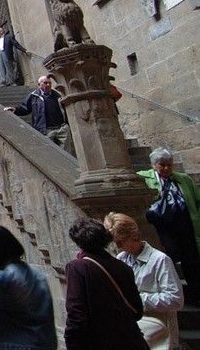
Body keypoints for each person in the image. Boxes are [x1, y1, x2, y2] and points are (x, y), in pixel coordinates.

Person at [64, 217, 148, 349]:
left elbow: (76, 314)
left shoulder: (77, 268)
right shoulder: (123, 267)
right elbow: (137, 311)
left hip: (101, 342)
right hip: (131, 340)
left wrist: (72, 344)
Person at [105, 212, 184, 350]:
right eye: (115, 242)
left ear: (133, 235)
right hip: (133, 328)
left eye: (120, 241)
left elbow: (175, 299)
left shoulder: (160, 260)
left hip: (159, 332)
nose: (118, 246)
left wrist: (138, 300)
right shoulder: (122, 258)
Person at [138, 147, 200, 305]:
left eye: (169, 165)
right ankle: (172, 293)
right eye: (162, 164)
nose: (166, 168)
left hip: (186, 225)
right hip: (164, 228)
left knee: (191, 260)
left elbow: (197, 200)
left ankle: (196, 295)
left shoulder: (183, 179)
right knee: (168, 258)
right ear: (153, 165)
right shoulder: (143, 178)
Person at [5, 75, 69, 147]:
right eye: (45, 83)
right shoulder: (33, 96)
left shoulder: (57, 95)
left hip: (61, 129)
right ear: (39, 85)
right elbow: (24, 108)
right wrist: (15, 110)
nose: (48, 85)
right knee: (49, 151)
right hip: (45, 130)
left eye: (49, 83)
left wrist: (66, 125)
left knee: (67, 153)